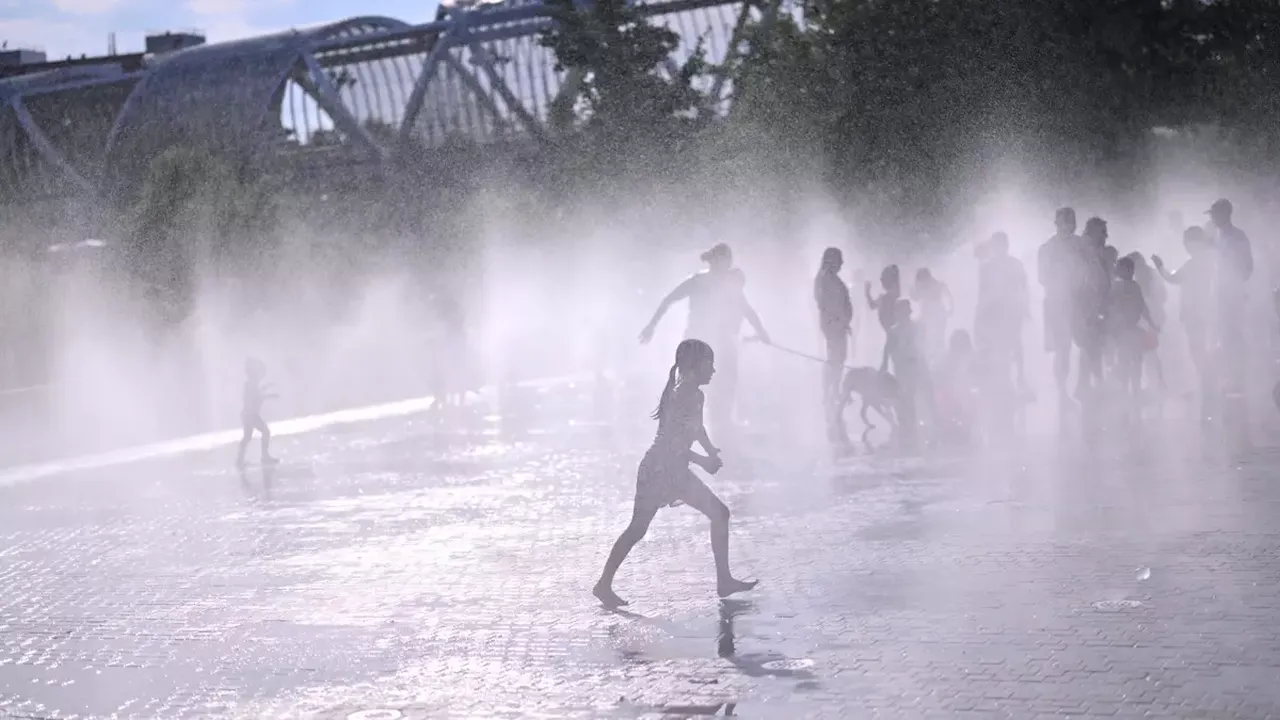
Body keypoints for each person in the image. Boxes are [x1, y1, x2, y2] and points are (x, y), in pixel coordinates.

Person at [592, 339, 758, 607]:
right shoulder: (685, 395)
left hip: (664, 468)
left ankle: (604, 584)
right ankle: (723, 581)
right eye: (709, 364)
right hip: (661, 470)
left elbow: (696, 429)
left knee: (641, 528)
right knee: (645, 528)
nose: (713, 371)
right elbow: (673, 445)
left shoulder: (692, 393)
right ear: (694, 366)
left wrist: (710, 449)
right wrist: (704, 462)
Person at [639, 243, 771, 438]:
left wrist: (761, 332)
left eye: (729, 260)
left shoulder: (731, 285)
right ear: (715, 261)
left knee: (726, 382)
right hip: (698, 342)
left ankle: (722, 423)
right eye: (724, 259)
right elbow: (669, 299)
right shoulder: (698, 281)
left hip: (722, 341)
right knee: (692, 386)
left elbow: (747, 310)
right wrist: (651, 326)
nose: (727, 264)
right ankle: (683, 425)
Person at [1153, 227, 1217, 418]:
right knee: (1200, 353)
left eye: (1187, 242)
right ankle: (1206, 390)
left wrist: (1160, 267)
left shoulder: (1197, 263)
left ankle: (1207, 392)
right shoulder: (1206, 261)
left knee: (1199, 353)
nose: (1186, 246)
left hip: (1197, 316)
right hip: (1200, 315)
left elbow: (1173, 278)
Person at [1206, 199, 1253, 396]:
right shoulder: (1217, 236)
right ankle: (1229, 377)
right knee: (1223, 335)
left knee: (1232, 335)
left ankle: (1237, 377)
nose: (1211, 218)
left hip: (1231, 294)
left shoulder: (1237, 236)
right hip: (1220, 293)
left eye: (1213, 214)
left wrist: (1235, 286)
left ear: (1224, 214)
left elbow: (1248, 266)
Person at [975, 232, 1030, 392]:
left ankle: (1019, 377)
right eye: (997, 245)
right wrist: (981, 311)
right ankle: (1004, 378)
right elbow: (982, 291)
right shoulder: (986, 267)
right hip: (994, 310)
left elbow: (1024, 285)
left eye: (1002, 244)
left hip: (1012, 308)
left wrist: (1026, 306)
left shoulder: (1015, 264)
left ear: (1007, 245)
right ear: (993, 247)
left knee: (1015, 342)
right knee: (999, 344)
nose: (1000, 248)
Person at [1038, 208, 1081, 407]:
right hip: (1057, 303)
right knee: (1062, 349)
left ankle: (1087, 386)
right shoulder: (1047, 248)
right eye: (1066, 222)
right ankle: (1062, 392)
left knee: (1088, 345)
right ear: (1057, 223)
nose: (1070, 225)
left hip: (1081, 302)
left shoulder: (1081, 245)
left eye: (1072, 221)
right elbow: (1042, 278)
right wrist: (1062, 276)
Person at [1106, 256, 1160, 403]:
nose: (1130, 272)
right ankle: (1125, 391)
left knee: (1136, 362)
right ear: (1120, 270)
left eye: (1131, 269)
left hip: (1132, 330)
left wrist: (1152, 323)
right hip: (1122, 331)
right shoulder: (1116, 287)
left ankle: (1134, 391)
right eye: (1127, 269)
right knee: (1126, 361)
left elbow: (1142, 307)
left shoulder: (1134, 286)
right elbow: (1110, 307)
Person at [814, 247, 853, 450]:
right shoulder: (824, 279)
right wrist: (838, 320)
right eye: (839, 260)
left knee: (838, 358)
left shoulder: (830, 279)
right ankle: (830, 392)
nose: (842, 264)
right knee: (835, 358)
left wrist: (845, 319)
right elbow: (824, 304)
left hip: (838, 325)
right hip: (833, 326)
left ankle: (832, 390)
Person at [1074, 217, 1112, 399]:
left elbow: (1106, 279)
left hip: (1100, 302)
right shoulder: (1084, 251)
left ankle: (1085, 384)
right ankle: (1094, 382)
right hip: (1087, 303)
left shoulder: (1101, 252)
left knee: (1093, 344)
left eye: (1105, 232)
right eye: (1102, 232)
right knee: (1090, 344)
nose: (1105, 236)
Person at [881, 298, 927, 446]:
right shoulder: (894, 331)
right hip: (901, 366)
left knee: (910, 394)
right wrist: (884, 364)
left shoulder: (915, 327)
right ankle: (905, 423)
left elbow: (921, 346)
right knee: (903, 395)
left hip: (912, 365)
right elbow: (887, 349)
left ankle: (910, 424)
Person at [1127, 251, 1167, 391]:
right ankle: (1158, 382)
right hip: (1154, 318)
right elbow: (1163, 295)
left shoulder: (1136, 280)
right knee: (1151, 353)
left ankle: (1156, 384)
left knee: (1148, 353)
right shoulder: (1151, 275)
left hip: (1146, 319)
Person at [236, 357, 278, 468]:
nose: (262, 376)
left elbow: (256, 393)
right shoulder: (250, 384)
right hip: (251, 415)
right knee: (265, 431)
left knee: (247, 437)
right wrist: (270, 396)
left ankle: (239, 460)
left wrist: (266, 387)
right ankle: (264, 456)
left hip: (247, 415)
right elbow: (256, 396)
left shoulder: (250, 384)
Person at [910, 267, 953, 367]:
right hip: (931, 315)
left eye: (921, 279)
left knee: (937, 337)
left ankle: (938, 359)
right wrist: (951, 309)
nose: (921, 282)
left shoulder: (937, 285)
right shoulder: (935, 285)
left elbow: (915, 298)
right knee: (929, 337)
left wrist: (951, 309)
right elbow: (916, 298)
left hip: (936, 315)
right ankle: (931, 358)